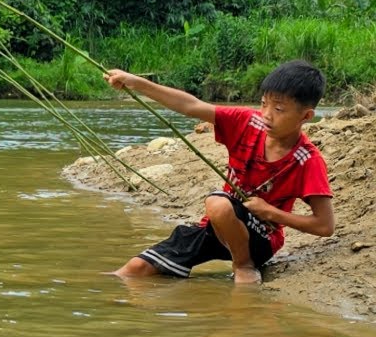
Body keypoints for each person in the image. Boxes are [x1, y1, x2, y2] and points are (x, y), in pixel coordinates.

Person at [103, 59, 334, 284]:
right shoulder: (247, 122)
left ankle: (243, 265)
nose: (266, 114)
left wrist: (270, 212)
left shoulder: (308, 160)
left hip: (260, 238)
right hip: (215, 226)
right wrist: (136, 83)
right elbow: (191, 106)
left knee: (218, 202)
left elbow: (324, 226)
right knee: (133, 270)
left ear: (306, 116)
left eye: (279, 109)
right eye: (263, 104)